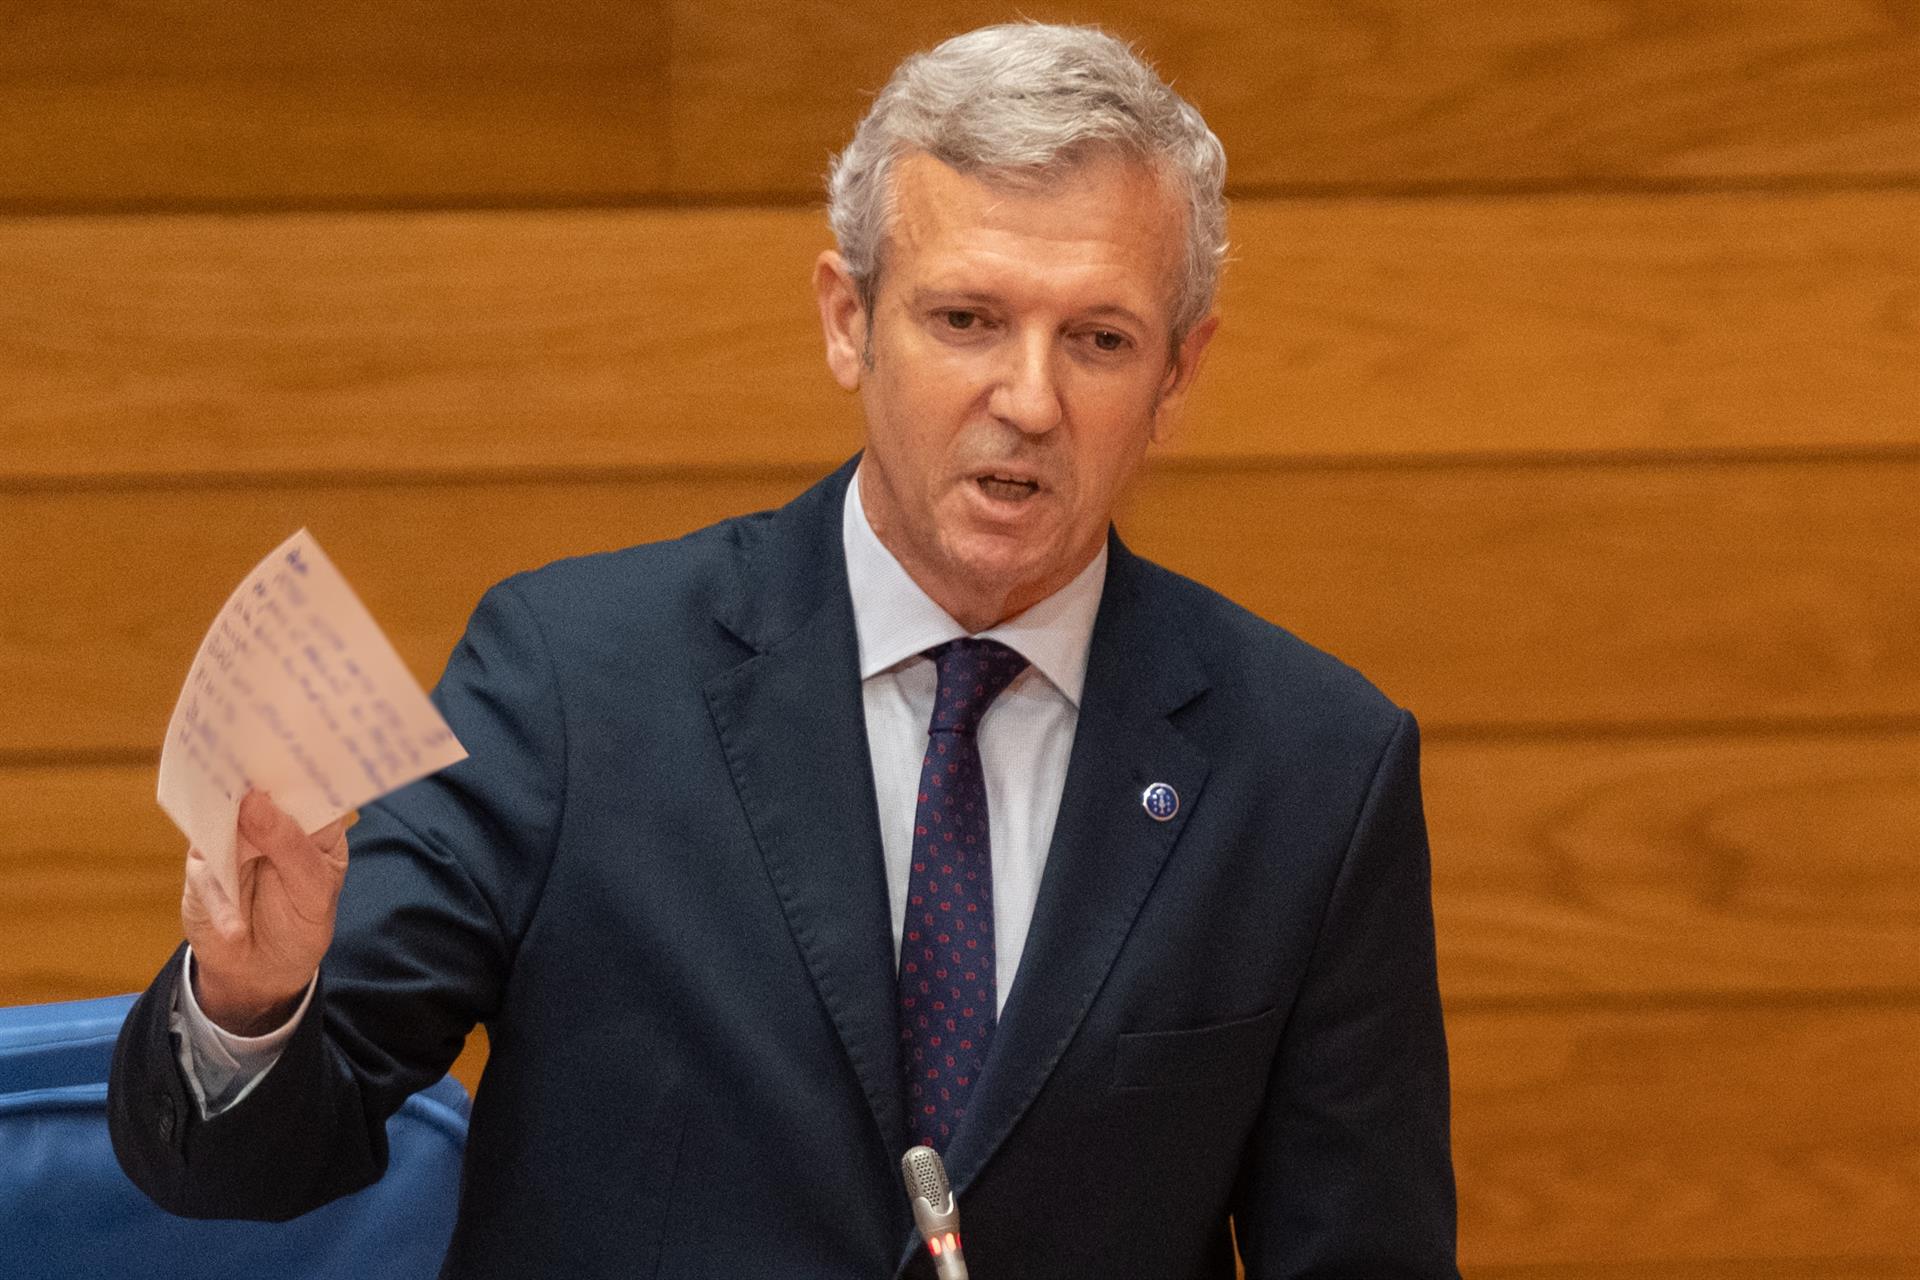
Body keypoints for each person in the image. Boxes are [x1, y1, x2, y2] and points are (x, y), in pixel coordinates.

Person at [110, 22, 1459, 1278]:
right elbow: (253, 1160)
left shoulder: (1311, 770)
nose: (1030, 400)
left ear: (1178, 372)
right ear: (846, 319)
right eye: (966, 320)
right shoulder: (578, 681)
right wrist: (249, 996)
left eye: (1099, 340)